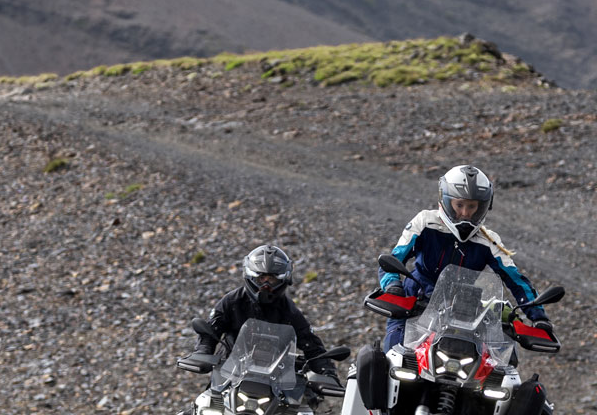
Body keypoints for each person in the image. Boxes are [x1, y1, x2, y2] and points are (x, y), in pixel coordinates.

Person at [355, 164, 550, 383]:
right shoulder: (425, 222)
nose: (465, 213)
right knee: (393, 360)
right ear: (446, 201)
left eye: (472, 206)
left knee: (501, 370)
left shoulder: (490, 241)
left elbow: (516, 281)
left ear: (483, 207)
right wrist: (393, 286)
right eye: (459, 205)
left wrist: (538, 317)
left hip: (466, 313)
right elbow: (394, 259)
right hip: (415, 305)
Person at [185, 244, 339, 381]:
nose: (266, 285)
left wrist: (326, 371)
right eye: (261, 278)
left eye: (271, 279)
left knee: (303, 411)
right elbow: (211, 331)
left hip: (275, 382)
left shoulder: (290, 311)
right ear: (251, 277)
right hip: (229, 374)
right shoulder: (232, 302)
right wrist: (203, 353)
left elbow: (310, 344)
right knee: (202, 406)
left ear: (283, 280)